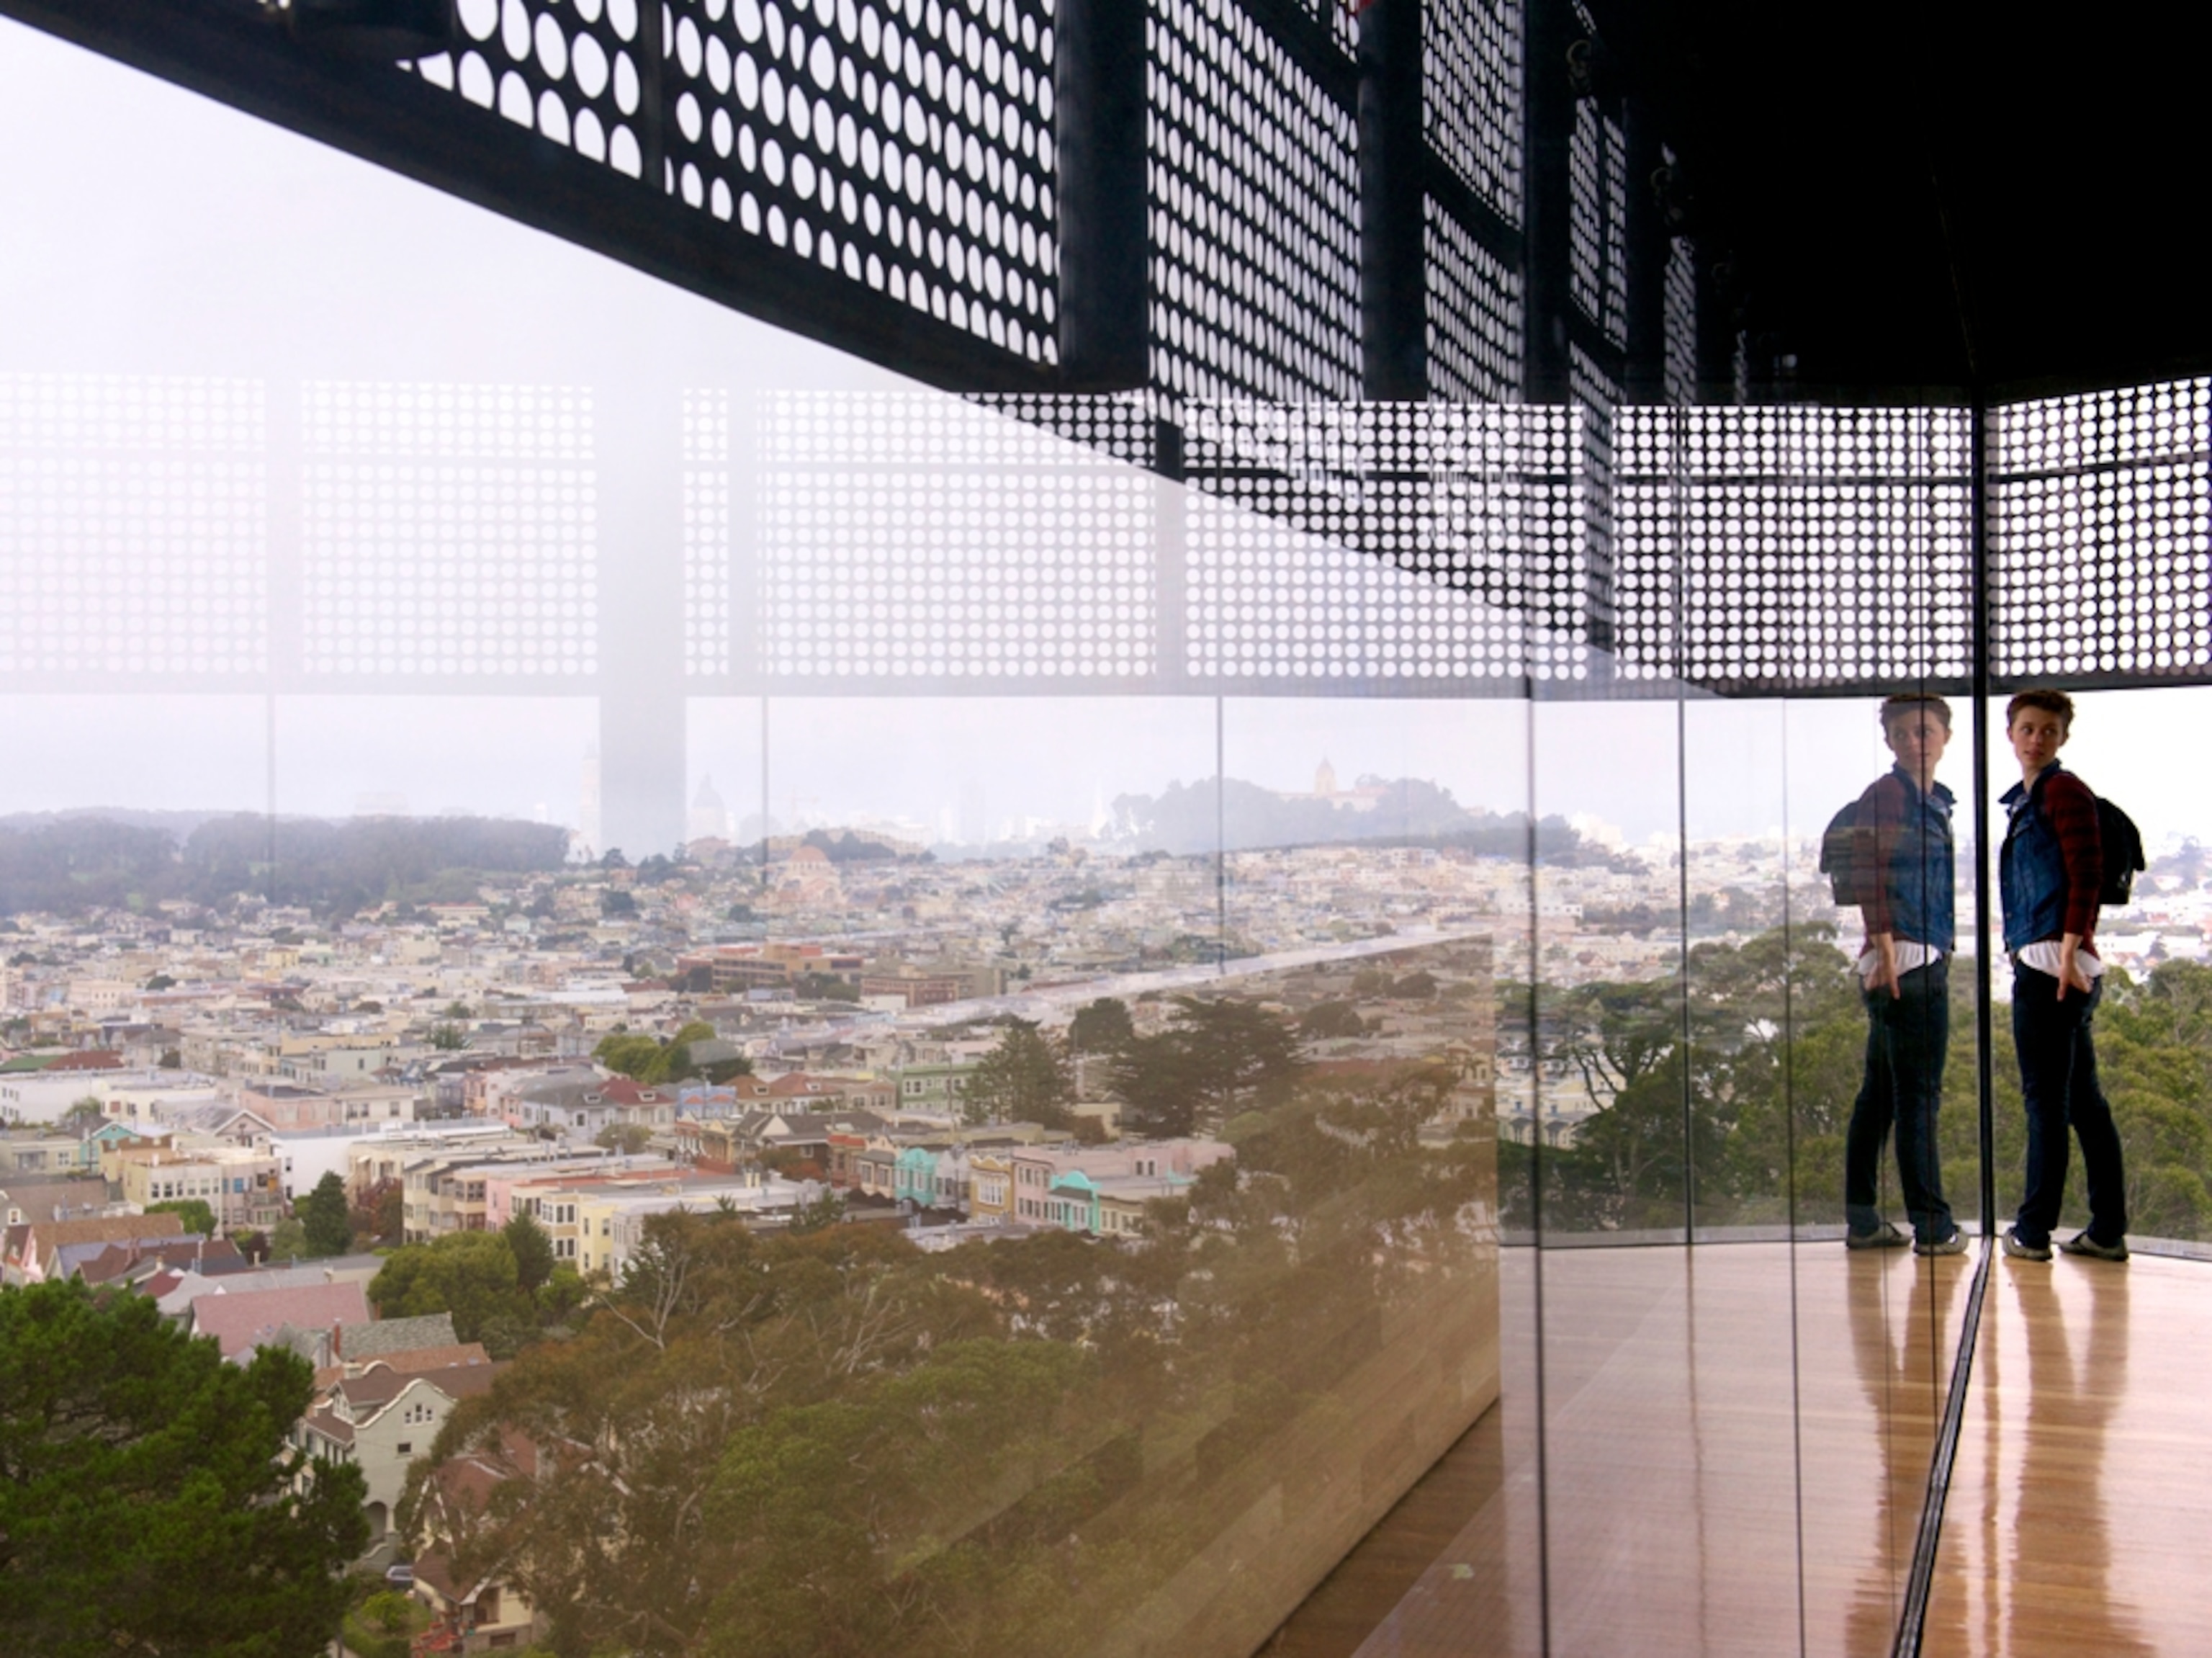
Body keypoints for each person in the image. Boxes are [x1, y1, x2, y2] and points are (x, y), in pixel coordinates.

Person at [2000, 689, 2129, 1263]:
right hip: (2061, 964)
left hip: (2054, 968)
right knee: (2083, 1105)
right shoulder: (2031, 798)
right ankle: (2107, 1230)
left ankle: (2033, 1233)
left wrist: (2071, 947)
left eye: (2048, 731)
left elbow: (2088, 872)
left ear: (2062, 738)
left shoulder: (2063, 791)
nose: (2036, 740)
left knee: (2045, 1105)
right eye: (2028, 729)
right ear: (2011, 733)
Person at [1843, 693, 1965, 1255]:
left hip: (1906, 957)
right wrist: (1887, 946)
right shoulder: (1889, 796)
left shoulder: (1932, 802)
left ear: (1945, 737)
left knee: (1881, 1096)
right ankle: (1933, 1227)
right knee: (1918, 1098)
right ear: (1889, 741)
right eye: (1904, 733)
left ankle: (1864, 1219)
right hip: (1908, 962)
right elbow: (1867, 869)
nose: (1917, 742)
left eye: (1926, 731)